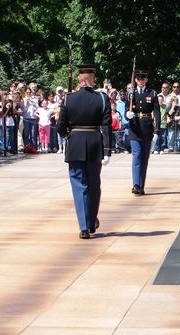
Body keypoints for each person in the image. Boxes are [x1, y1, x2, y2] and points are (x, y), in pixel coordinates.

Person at [57, 64, 112, 240]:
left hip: (75, 143)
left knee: (79, 184)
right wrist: (108, 150)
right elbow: (106, 125)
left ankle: (84, 226)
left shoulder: (68, 98)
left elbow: (60, 126)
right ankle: (90, 220)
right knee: (94, 184)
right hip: (95, 142)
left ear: (80, 80)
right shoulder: (102, 99)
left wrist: (68, 136)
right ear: (91, 79)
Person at [125, 70, 161, 195]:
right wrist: (127, 115)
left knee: (144, 158)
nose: (140, 81)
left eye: (143, 78)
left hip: (146, 127)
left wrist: (157, 130)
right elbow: (126, 109)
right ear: (135, 80)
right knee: (137, 155)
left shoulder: (152, 93)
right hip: (134, 127)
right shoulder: (131, 94)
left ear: (146, 80)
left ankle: (141, 185)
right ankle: (135, 184)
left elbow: (156, 113)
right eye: (138, 79)